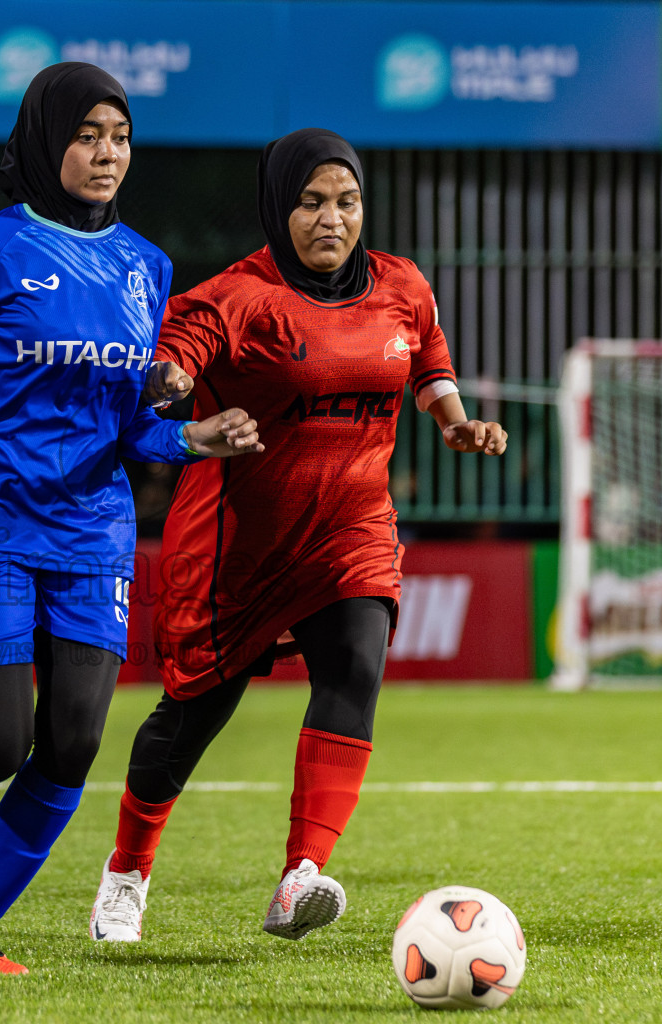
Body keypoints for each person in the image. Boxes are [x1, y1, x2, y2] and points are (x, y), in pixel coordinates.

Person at [0, 63, 263, 975]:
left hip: (92, 534)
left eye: (120, 137)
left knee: (74, 742)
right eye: (86, 136)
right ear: (47, 142)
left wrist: (192, 438)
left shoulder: (146, 266)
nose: (106, 153)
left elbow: (126, 427)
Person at [87, 128, 507, 945]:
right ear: (280, 208)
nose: (331, 219)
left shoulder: (402, 283)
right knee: (191, 717)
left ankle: (299, 877)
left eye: (346, 201)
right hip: (238, 546)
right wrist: (170, 383)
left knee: (355, 666)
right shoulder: (236, 296)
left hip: (352, 530)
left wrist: (453, 421)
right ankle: (126, 874)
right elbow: (170, 363)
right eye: (311, 202)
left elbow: (426, 359)